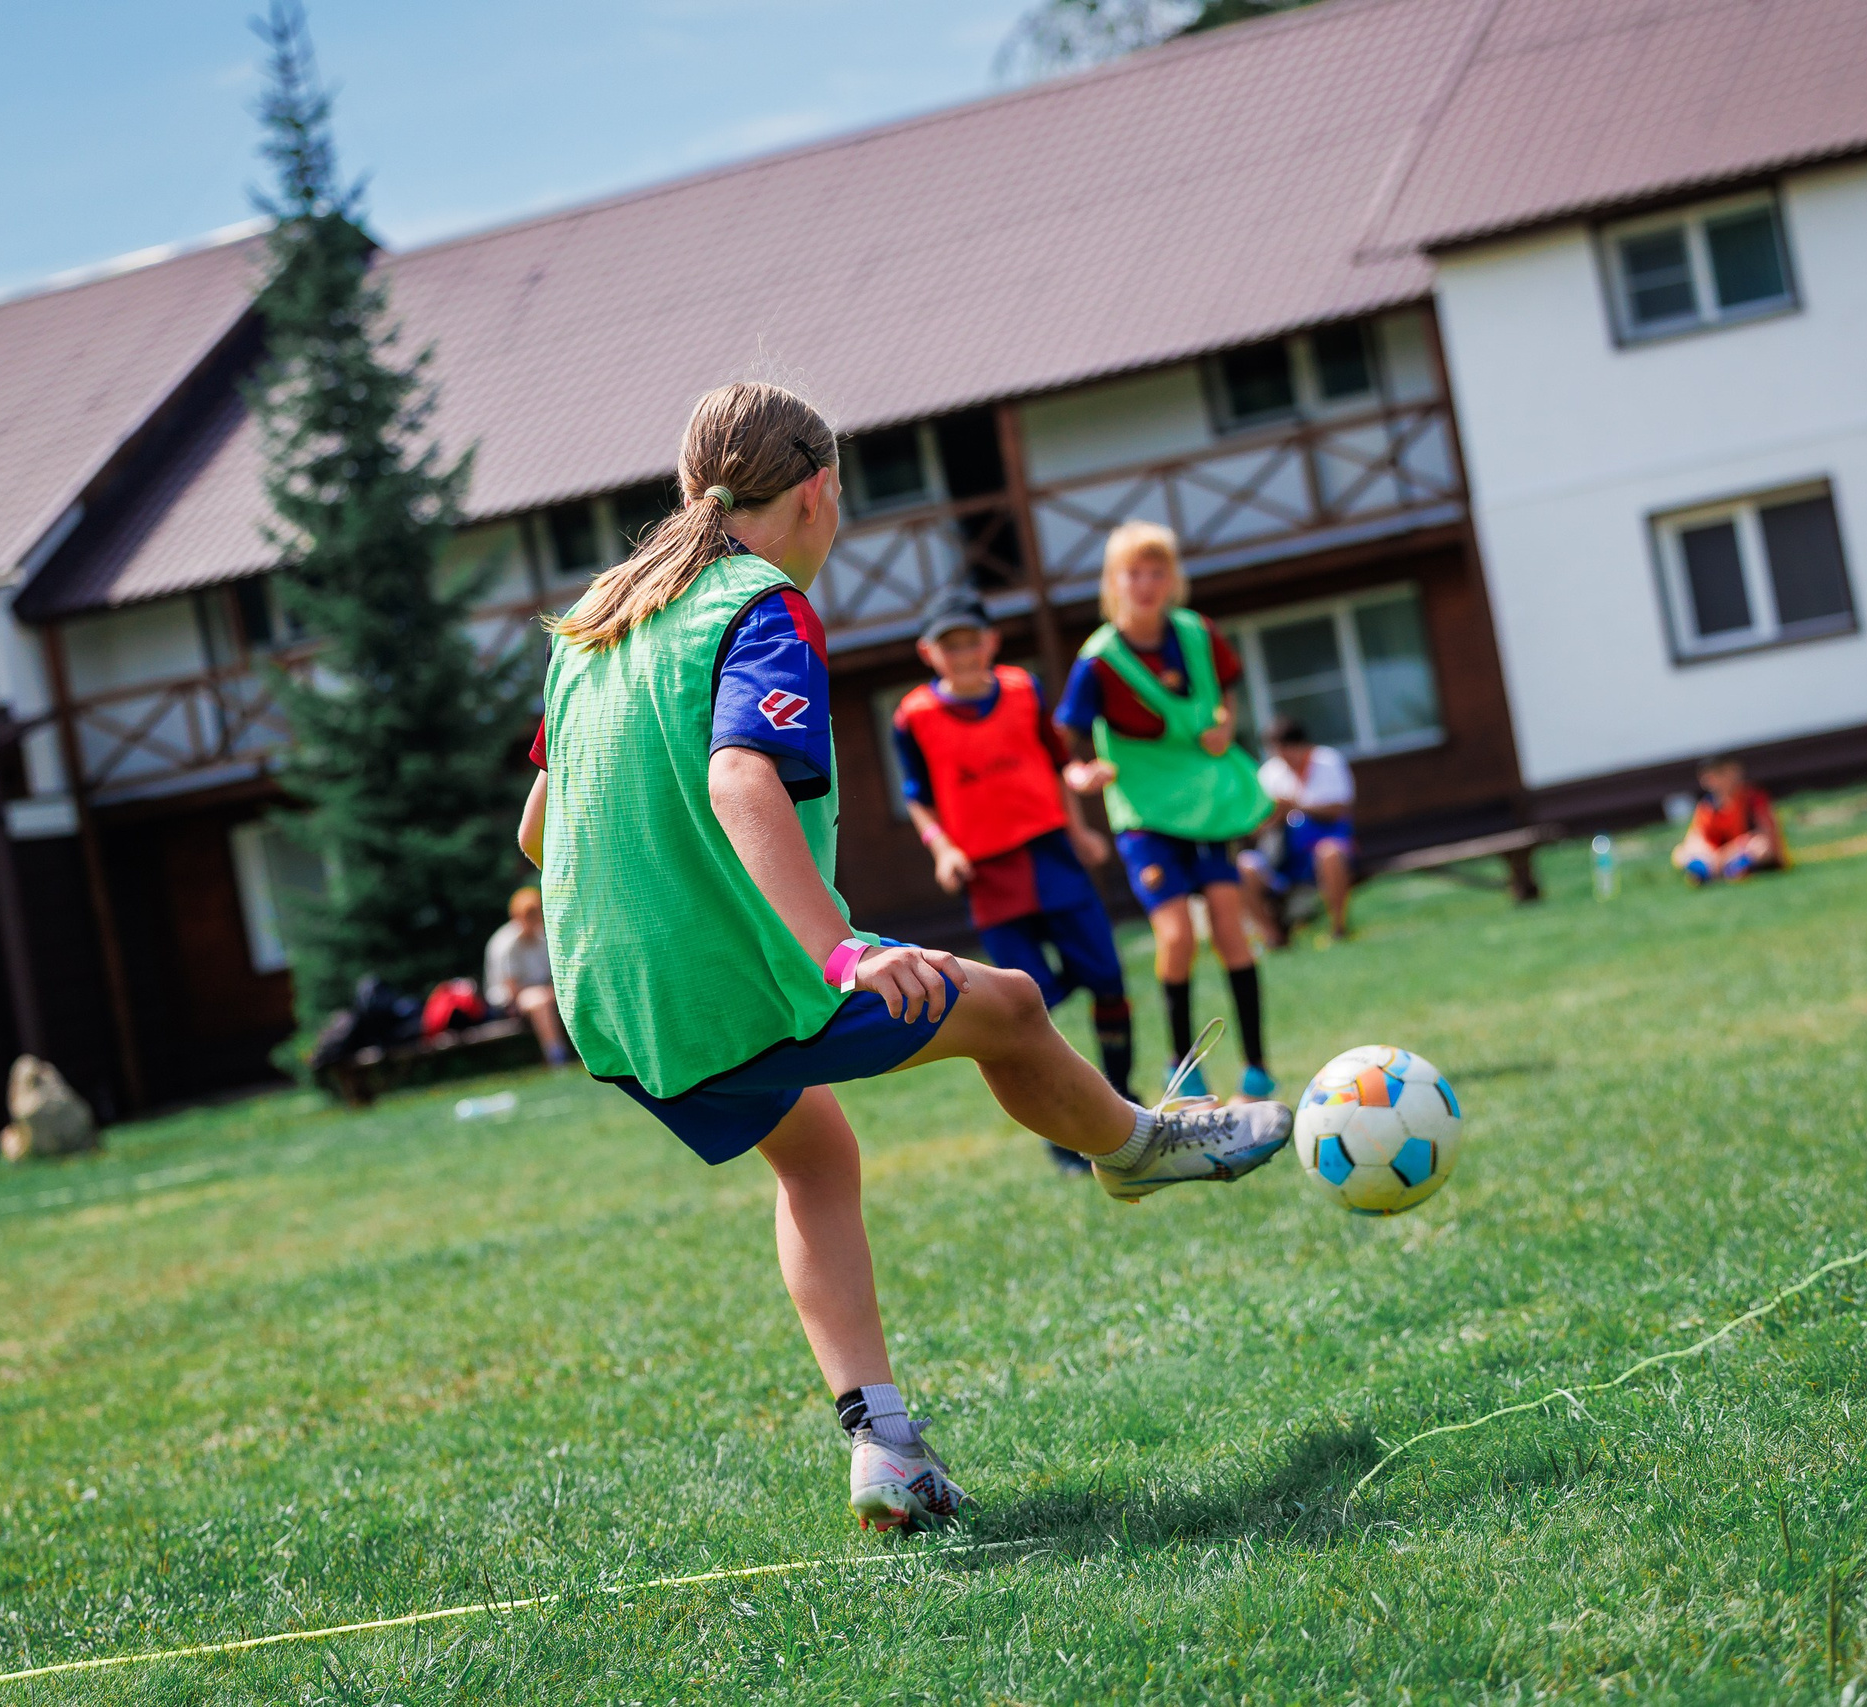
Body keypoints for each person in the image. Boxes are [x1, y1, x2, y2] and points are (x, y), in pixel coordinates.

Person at [518, 384, 1291, 1533]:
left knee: (815, 1154)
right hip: (731, 982)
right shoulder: (760, 605)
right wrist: (836, 956)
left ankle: (886, 1450)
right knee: (1013, 1003)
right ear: (824, 493)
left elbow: (537, 826)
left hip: (609, 1013)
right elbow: (740, 778)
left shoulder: (598, 621)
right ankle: (1135, 1146)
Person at [891, 585, 1133, 1171]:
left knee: (1107, 978)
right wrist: (942, 847)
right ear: (930, 653)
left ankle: (1121, 1101)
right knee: (1019, 1011)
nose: (963, 653)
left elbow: (1054, 764)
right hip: (989, 875)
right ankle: (1061, 1132)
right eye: (950, 645)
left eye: (971, 641)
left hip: (1052, 855)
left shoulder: (1024, 691)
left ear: (990, 643)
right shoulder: (913, 717)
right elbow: (917, 797)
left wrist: (1078, 831)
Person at [1053, 522, 1277, 1100]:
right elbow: (1068, 741)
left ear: (1173, 579)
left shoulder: (1197, 633)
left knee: (1231, 927)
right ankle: (1184, 1065)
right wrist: (1083, 774)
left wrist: (1226, 721)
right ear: (1113, 582)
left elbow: (1228, 688)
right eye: (1134, 573)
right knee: (1176, 936)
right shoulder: (1099, 660)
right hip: (1147, 816)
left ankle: (1257, 1068)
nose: (1147, 584)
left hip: (1207, 807)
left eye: (1158, 572)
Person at [1240, 717, 1356, 944]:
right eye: (1277, 752)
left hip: (1324, 844)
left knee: (1329, 853)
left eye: (1287, 750)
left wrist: (1296, 805)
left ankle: (1338, 928)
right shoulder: (1269, 773)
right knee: (1244, 866)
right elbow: (1254, 828)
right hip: (1283, 853)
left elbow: (1340, 808)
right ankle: (1273, 938)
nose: (1283, 758)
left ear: (1303, 745)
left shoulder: (1328, 761)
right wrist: (1274, 817)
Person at [483, 886, 571, 1065]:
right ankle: (557, 1056)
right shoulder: (506, 944)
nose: (536, 920)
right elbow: (512, 989)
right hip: (508, 1002)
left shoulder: (542, 937)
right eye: (530, 915)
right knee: (540, 1001)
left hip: (542, 990)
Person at [1670, 756, 1785, 883]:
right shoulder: (1706, 806)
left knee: (1761, 846)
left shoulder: (1752, 798)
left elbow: (1766, 833)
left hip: (1743, 850)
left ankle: (1726, 870)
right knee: (1680, 853)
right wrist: (1711, 854)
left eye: (1721, 773)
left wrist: (1726, 852)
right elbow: (1696, 837)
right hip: (1716, 856)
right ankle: (1713, 871)